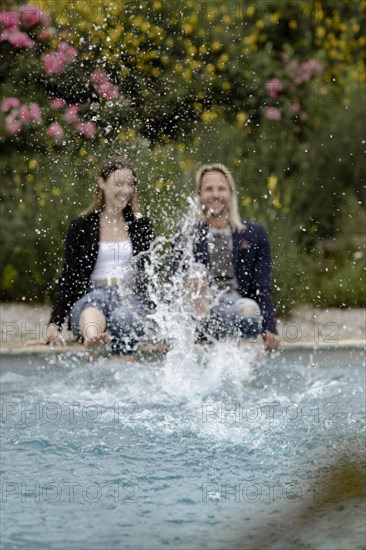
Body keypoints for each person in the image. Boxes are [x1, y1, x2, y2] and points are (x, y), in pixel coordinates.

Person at [43, 157, 154, 359]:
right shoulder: (82, 225)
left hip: (131, 298)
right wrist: (54, 323)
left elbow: (150, 276)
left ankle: (119, 361)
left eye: (130, 184)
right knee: (94, 303)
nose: (126, 190)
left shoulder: (141, 225)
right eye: (119, 183)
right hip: (92, 293)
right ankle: (92, 338)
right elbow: (69, 276)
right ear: (102, 183)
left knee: (124, 317)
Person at [172, 163, 280, 351]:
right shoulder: (187, 234)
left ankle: (244, 375)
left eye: (221, 188)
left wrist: (270, 328)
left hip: (238, 304)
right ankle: (202, 334)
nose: (215, 195)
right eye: (208, 189)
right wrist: (169, 335)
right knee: (197, 273)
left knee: (250, 311)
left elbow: (262, 285)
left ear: (231, 193)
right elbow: (173, 282)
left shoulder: (254, 234)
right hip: (202, 308)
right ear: (200, 195)